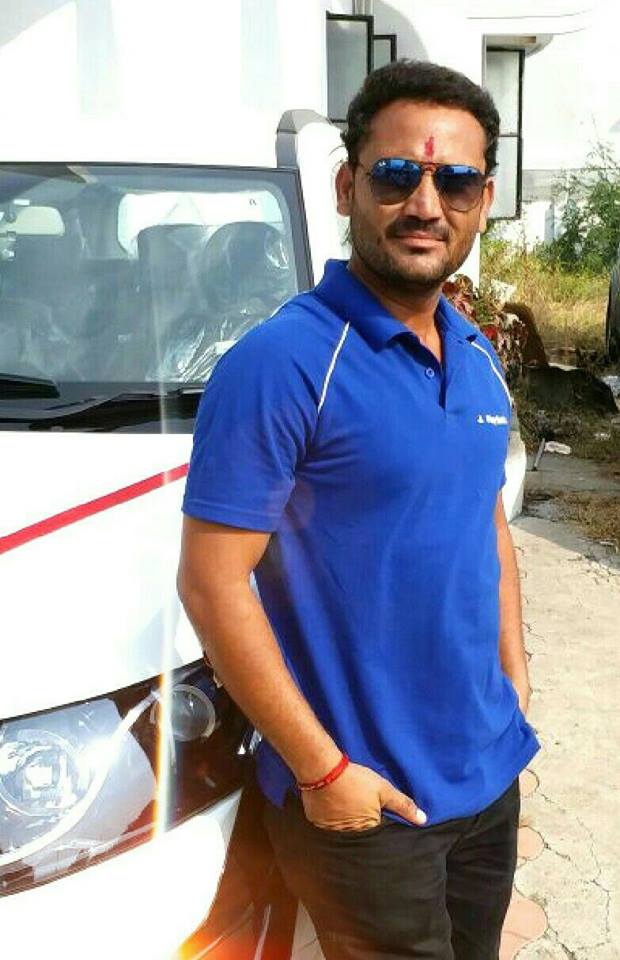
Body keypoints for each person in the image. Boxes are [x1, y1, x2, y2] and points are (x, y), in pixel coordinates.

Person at [178, 59, 540, 960]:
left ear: (484, 202)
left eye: (456, 182)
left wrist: (514, 681)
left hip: (485, 777)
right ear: (347, 187)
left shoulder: (476, 354)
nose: (426, 204)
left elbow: (484, 520)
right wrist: (321, 768)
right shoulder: (282, 363)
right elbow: (212, 582)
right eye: (397, 174)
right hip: (364, 805)